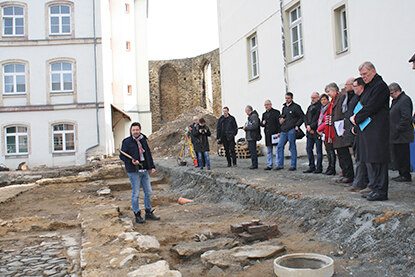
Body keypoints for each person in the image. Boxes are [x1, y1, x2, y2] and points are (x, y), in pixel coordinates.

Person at [350, 61, 390, 201]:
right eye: (361, 75)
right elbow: (363, 103)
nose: (363, 77)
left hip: (377, 128)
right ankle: (374, 187)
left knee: (378, 159)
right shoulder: (369, 87)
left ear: (373, 71)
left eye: (365, 74)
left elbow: (372, 106)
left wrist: (357, 118)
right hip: (367, 128)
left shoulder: (380, 86)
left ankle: (380, 190)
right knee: (371, 159)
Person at [120, 122, 160, 224]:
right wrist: (131, 161)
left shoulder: (143, 140)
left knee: (148, 192)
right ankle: (137, 214)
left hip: (144, 170)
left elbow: (148, 154)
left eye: (137, 130)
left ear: (140, 130)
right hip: (134, 171)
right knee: (136, 194)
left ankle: (148, 212)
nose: (135, 132)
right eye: (133, 130)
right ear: (131, 131)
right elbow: (122, 156)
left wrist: (152, 166)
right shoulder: (126, 142)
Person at [325, 83, 354, 183]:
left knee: (344, 153)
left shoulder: (341, 97)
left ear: (334, 90)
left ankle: (349, 174)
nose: (328, 94)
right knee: (340, 154)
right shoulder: (332, 101)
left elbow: (344, 111)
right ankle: (344, 173)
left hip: (340, 129)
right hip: (335, 131)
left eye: (328, 91)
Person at [347, 77, 370, 193]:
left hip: (363, 130)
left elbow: (363, 113)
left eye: (353, 85)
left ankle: (364, 182)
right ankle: (360, 181)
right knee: (359, 157)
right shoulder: (356, 98)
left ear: (360, 86)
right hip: (356, 130)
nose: (351, 87)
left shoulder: (364, 98)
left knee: (365, 159)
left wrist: (356, 127)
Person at [389, 82, 413, 182]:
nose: (391, 96)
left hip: (402, 134)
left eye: (392, 93)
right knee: (398, 155)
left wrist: (398, 129)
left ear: (398, 91)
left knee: (403, 155)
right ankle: (401, 173)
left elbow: (406, 117)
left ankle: (405, 174)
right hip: (396, 134)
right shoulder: (396, 100)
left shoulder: (404, 100)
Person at [276, 92, 305, 171]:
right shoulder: (284, 108)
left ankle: (293, 165)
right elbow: (283, 117)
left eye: (288, 98)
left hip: (292, 129)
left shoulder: (296, 107)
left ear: (292, 98)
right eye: (286, 98)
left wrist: (297, 125)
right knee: (280, 146)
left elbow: (302, 117)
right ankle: (280, 164)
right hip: (284, 130)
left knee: (292, 147)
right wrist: (281, 123)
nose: (287, 100)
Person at [317, 94, 336, 175]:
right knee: (328, 151)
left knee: (330, 150)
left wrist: (319, 129)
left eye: (324, 99)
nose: (323, 101)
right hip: (323, 132)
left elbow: (327, 121)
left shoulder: (329, 108)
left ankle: (332, 168)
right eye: (322, 100)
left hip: (328, 131)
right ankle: (329, 167)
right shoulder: (322, 109)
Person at [303, 92, 322, 173]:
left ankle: (319, 167)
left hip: (316, 131)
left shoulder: (320, 107)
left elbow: (319, 119)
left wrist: (312, 127)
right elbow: (306, 118)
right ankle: (311, 166)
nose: (312, 99)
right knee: (308, 149)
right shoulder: (310, 107)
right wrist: (307, 126)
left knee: (318, 151)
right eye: (312, 97)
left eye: (314, 97)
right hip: (309, 132)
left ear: (318, 98)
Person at [261, 100, 281, 170]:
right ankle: (270, 164)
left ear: (270, 105)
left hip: (275, 133)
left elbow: (279, 123)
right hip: (267, 134)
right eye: (265, 105)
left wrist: (279, 132)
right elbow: (262, 124)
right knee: (269, 150)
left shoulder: (276, 112)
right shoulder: (264, 114)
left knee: (277, 149)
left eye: (267, 104)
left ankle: (278, 164)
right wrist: (263, 123)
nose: (266, 106)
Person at [243, 105, 261, 169]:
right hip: (250, 136)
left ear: (248, 110)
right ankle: (253, 164)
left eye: (246, 111)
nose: (246, 113)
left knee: (253, 151)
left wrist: (246, 128)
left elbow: (254, 126)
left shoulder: (253, 116)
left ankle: (254, 164)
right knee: (252, 150)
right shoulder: (251, 117)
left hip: (252, 136)